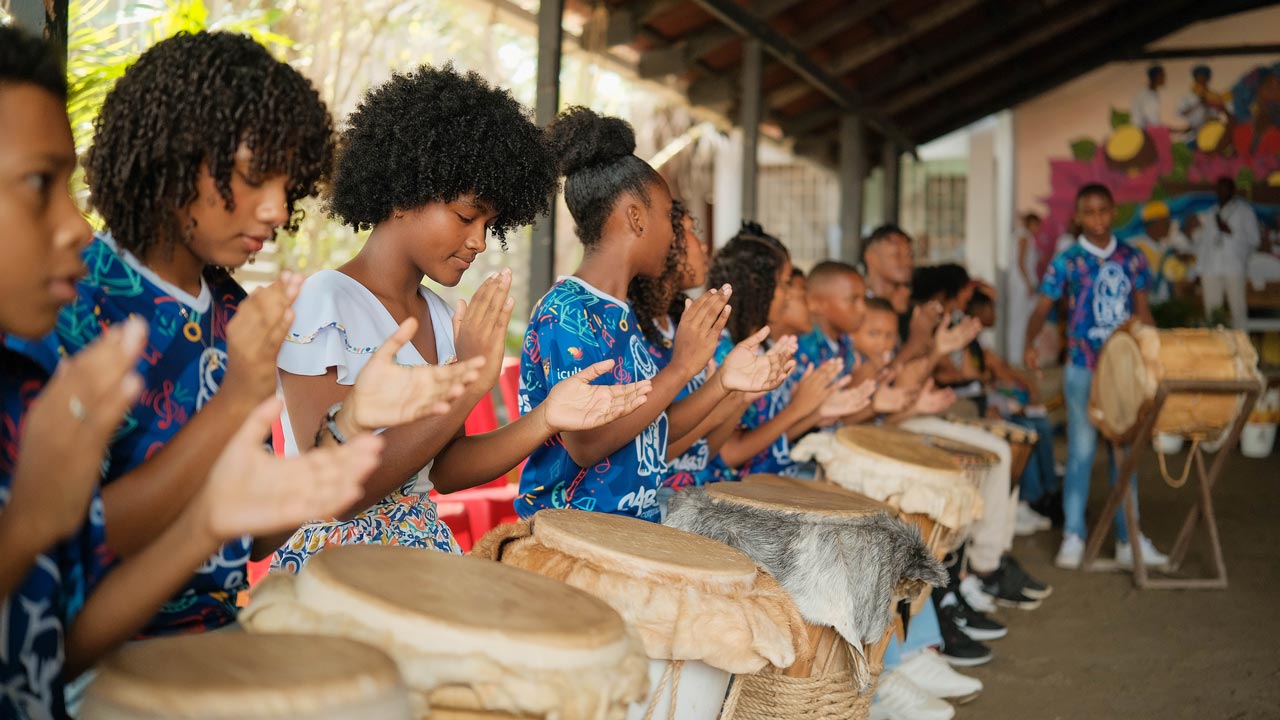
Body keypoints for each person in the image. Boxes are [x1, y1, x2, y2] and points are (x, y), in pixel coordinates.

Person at [0, 26, 386, 717]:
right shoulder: (66, 297)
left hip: (217, 640)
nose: (274, 210)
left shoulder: (236, 311)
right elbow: (72, 537)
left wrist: (347, 426)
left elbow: (251, 530)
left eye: (286, 184)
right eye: (251, 176)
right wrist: (234, 402)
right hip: (105, 667)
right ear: (174, 158)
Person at [272, 68, 656, 568]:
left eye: (489, 224)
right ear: (404, 193)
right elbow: (340, 492)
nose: (478, 241)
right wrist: (467, 385)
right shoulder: (326, 303)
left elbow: (446, 470)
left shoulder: (436, 314)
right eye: (464, 216)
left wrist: (545, 419)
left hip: (422, 551)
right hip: (337, 564)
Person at [519, 108, 787, 521]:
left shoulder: (621, 313)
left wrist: (722, 384)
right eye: (667, 216)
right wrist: (680, 368)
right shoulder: (568, 310)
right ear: (636, 218)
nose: (673, 234)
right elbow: (587, 446)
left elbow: (652, 436)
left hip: (637, 525)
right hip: (574, 532)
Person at [1024, 183, 1167, 570]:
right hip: (1083, 368)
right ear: (1078, 216)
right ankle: (1074, 535)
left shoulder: (1132, 258)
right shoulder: (1068, 260)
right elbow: (1042, 308)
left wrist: (1156, 354)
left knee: (1125, 454)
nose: (1098, 219)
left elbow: (1143, 312)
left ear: (1113, 211)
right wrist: (1029, 341)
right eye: (1090, 212)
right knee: (1081, 453)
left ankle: (1128, 537)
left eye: (1104, 211)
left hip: (1126, 372)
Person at [628, 203, 795, 497]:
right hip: (655, 496)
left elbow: (704, 451)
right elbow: (645, 451)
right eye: (689, 232)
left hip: (693, 491)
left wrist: (736, 400)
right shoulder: (633, 328)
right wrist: (723, 399)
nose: (704, 246)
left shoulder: (684, 323)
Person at [1186, 177, 1261, 330]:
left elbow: (1255, 240)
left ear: (1233, 190)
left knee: (1237, 310)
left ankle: (1242, 348)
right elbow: (1202, 241)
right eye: (1219, 188)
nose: (1222, 191)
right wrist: (1191, 231)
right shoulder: (1211, 212)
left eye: (1225, 188)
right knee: (1212, 312)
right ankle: (1216, 347)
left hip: (1233, 267)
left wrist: (1231, 232)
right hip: (1211, 268)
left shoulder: (1244, 211)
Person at [1131, 200, 1194, 306]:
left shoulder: (1164, 248)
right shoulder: (1138, 252)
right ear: (1153, 225)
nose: (1169, 226)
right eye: (1166, 222)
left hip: (1166, 306)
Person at [1177, 65, 1229, 140]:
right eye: (1199, 78)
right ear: (1195, 79)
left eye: (1204, 77)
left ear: (1208, 78)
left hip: (1212, 131)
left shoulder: (1214, 96)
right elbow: (1182, 113)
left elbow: (1223, 112)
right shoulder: (1188, 97)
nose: (1202, 80)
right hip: (1193, 133)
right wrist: (1198, 103)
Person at [1130, 64, 1166, 129]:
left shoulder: (1150, 93)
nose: (1164, 78)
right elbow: (1154, 121)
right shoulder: (1147, 96)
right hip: (1142, 133)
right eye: (1162, 75)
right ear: (1156, 76)